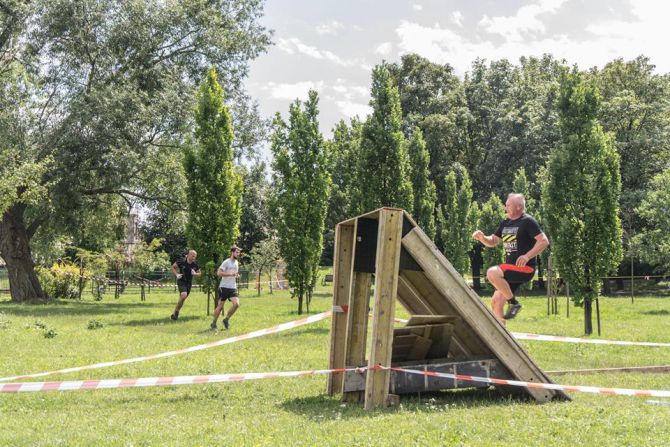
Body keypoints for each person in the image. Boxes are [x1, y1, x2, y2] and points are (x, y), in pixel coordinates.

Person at [472, 193, 549, 323]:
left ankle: (514, 303)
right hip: (510, 271)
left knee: (492, 272)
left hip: (525, 269)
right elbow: (494, 241)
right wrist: (482, 238)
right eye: (506, 204)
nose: (505, 207)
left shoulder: (527, 221)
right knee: (496, 302)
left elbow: (544, 241)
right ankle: (502, 338)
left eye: (508, 205)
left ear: (519, 207)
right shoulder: (505, 223)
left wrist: (527, 256)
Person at [210, 245, 241, 330]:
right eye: (237, 252)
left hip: (232, 287)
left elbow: (235, 273)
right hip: (224, 287)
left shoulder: (236, 262)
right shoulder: (226, 262)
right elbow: (219, 273)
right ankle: (213, 323)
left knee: (236, 304)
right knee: (220, 307)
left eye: (239, 253)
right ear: (232, 252)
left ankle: (226, 319)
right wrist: (231, 274)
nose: (238, 254)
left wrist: (237, 275)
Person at [170, 249, 201, 321]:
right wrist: (177, 274)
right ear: (189, 255)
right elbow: (173, 267)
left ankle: (175, 313)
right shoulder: (181, 261)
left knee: (182, 299)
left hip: (189, 283)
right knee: (183, 295)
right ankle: (176, 312)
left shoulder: (195, 264)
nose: (194, 258)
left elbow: (199, 274)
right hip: (181, 281)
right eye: (192, 256)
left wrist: (195, 274)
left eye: (195, 256)